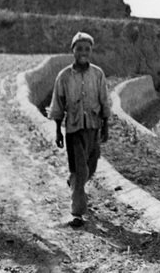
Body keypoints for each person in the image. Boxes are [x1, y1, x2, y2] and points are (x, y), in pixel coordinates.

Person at [48, 32, 110, 227]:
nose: (83, 52)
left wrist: (106, 125)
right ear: (72, 50)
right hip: (74, 129)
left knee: (91, 165)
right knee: (80, 169)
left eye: (87, 49)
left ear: (91, 51)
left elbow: (104, 100)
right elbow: (57, 103)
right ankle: (77, 213)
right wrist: (58, 129)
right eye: (79, 48)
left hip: (93, 126)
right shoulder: (64, 76)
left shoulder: (98, 74)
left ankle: (74, 183)